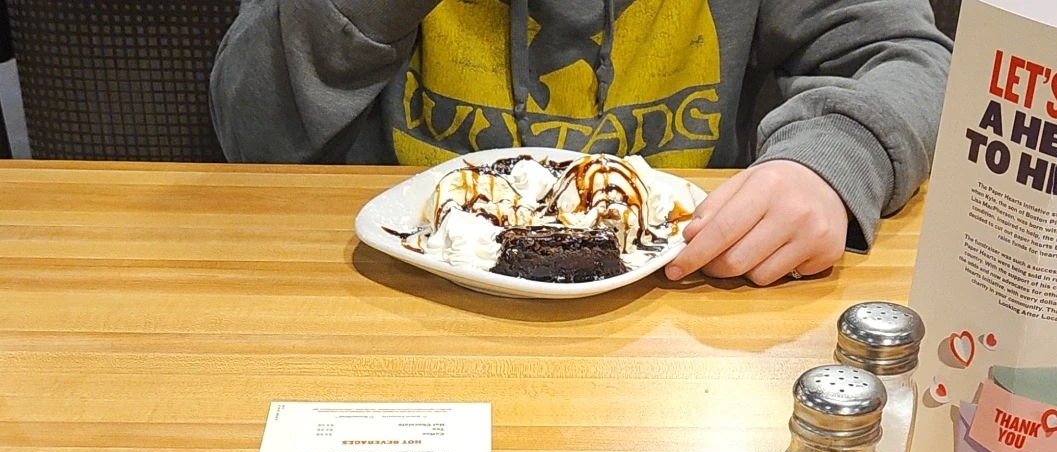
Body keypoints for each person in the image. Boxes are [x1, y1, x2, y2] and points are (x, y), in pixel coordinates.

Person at [210, 0, 951, 286]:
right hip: (394, 307)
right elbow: (249, 133)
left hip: (678, 311)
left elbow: (909, 56)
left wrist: (832, 157)